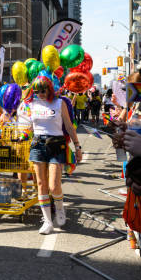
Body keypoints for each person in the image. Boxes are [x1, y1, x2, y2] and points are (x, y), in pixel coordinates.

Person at [25, 75, 82, 234]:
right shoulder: (32, 103)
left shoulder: (60, 103)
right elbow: (28, 124)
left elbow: (69, 127)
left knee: (53, 185)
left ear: (49, 89)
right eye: (37, 91)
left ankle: (60, 208)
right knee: (41, 184)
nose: (40, 94)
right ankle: (48, 221)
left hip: (56, 144)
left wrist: (77, 146)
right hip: (37, 144)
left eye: (43, 90)